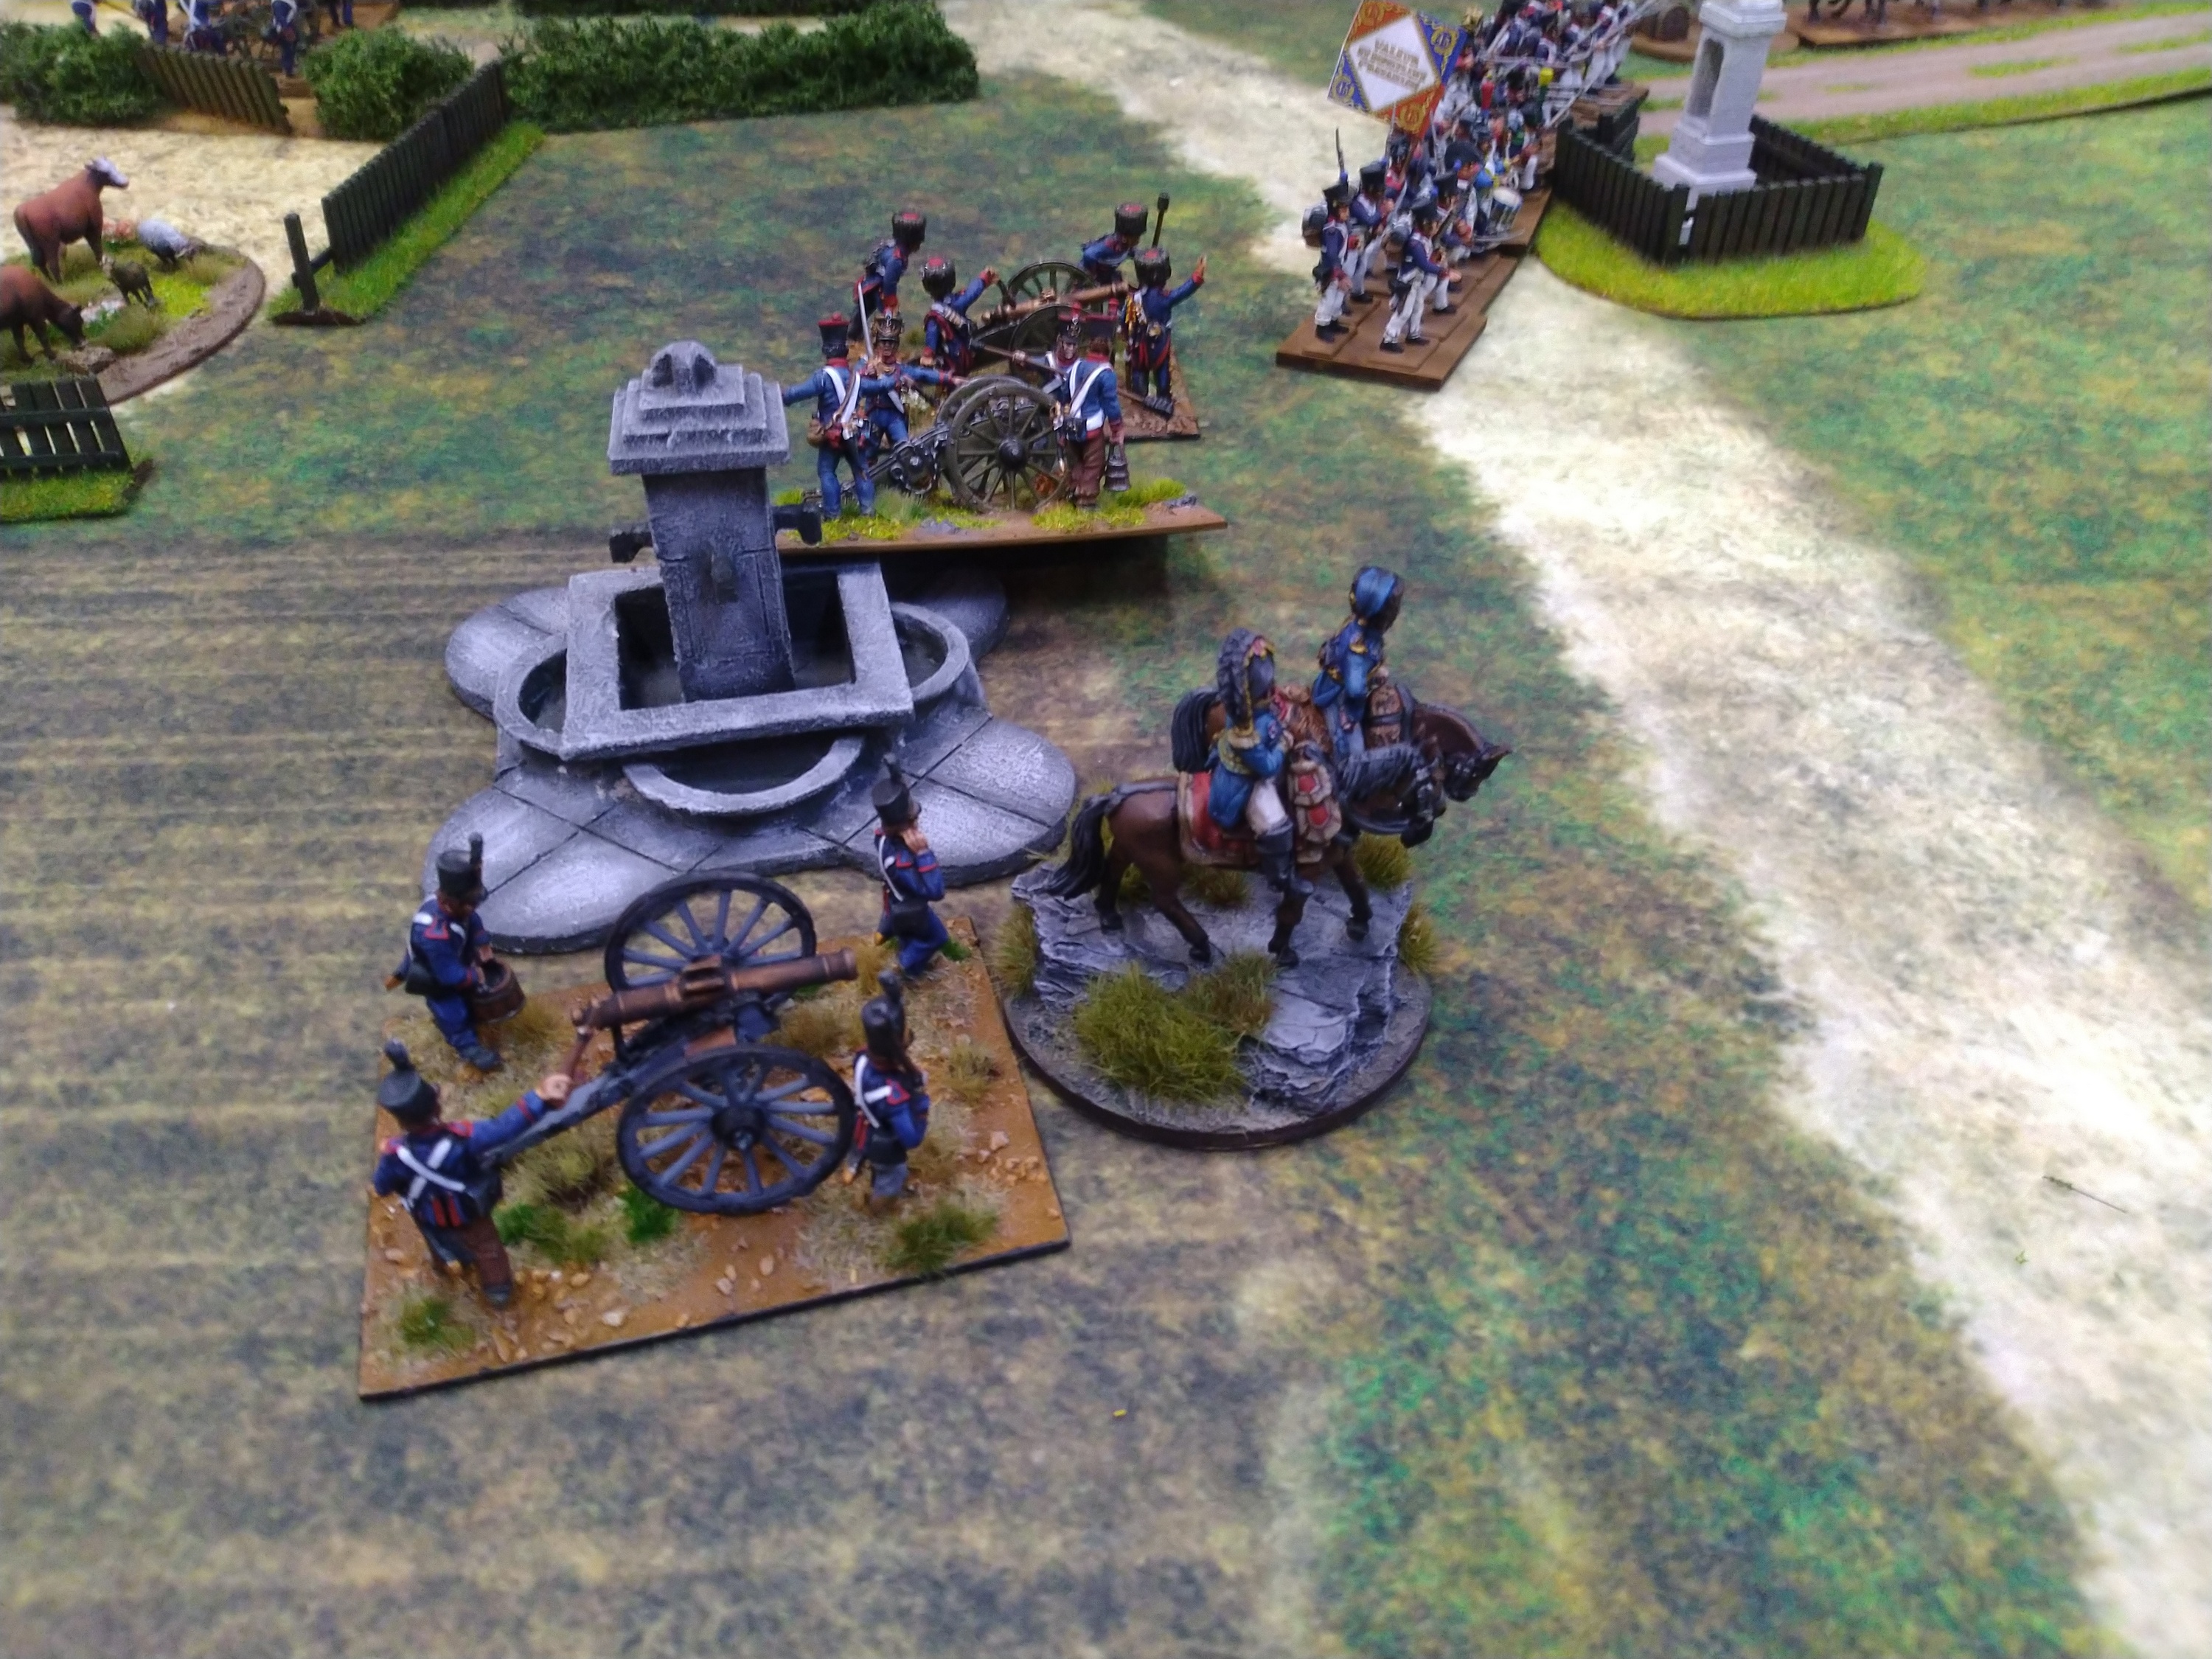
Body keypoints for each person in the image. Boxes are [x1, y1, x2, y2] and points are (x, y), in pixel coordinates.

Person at [369, 1041, 569, 1307]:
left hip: (428, 1215)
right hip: (467, 1213)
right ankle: (498, 1291)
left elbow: (381, 1187)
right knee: (487, 1247)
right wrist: (539, 1096)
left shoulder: (394, 1155)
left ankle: (445, 1265)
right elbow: (502, 1129)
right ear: (436, 1108)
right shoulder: (463, 1139)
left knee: (436, 1239)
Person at [1206, 629, 1312, 900]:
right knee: (1275, 824)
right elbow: (1267, 767)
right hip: (1246, 781)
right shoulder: (1246, 734)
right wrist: (1284, 744)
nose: (1271, 688)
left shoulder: (1257, 708)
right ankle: (1281, 878)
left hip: (1257, 760)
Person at [399, 837, 505, 1073]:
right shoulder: (434, 937)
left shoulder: (463, 911)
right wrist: (475, 976)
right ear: (448, 903)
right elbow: (449, 975)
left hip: (457, 958)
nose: (473, 908)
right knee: (452, 1011)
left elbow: (473, 920)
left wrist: (482, 944)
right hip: (437, 978)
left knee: (469, 1000)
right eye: (469, 903)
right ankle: (468, 1047)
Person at [781, 315, 892, 518]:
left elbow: (795, 394)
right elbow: (881, 386)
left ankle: (833, 514)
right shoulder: (857, 378)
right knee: (861, 471)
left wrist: (781, 396)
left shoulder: (822, 378)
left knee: (826, 472)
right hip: (854, 433)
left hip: (831, 435)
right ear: (845, 350)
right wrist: (888, 376)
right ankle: (868, 511)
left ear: (826, 350)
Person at [848, 973, 930, 1205]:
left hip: (864, 1123)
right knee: (892, 1176)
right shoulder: (893, 1095)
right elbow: (911, 1139)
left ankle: (864, 1167)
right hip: (884, 1144)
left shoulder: (862, 1058)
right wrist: (921, 1105)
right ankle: (881, 1206)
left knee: (880, 1168)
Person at [1312, 566, 1405, 751]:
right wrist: (1371, 678)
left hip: (1342, 682)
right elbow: (1355, 690)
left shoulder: (1359, 627)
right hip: (1338, 698)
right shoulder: (1358, 650)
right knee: (1354, 749)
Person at [872, 764, 948, 977]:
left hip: (894, 902)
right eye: (913, 819)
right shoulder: (903, 861)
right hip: (910, 907)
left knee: (908, 937)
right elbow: (935, 891)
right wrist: (923, 854)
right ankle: (905, 967)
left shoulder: (881, 837)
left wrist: (897, 776)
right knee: (936, 937)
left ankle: (911, 960)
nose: (917, 821)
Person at [860, 312, 955, 451]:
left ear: (896, 344)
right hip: (873, 415)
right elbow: (857, 383)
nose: (887, 346)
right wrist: (866, 373)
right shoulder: (867, 366)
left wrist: (949, 378)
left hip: (894, 416)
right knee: (866, 454)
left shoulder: (900, 369)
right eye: (884, 342)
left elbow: (922, 374)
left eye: (891, 342)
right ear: (877, 343)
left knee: (905, 449)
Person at [1057, 312, 1124, 509]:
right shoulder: (1106, 373)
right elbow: (1111, 405)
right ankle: (1086, 500)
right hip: (1091, 428)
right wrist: (1117, 428)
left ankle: (1074, 490)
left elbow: (1064, 396)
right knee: (1094, 464)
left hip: (1071, 426)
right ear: (1109, 347)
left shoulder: (1075, 367)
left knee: (1077, 463)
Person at [1122, 247, 1205, 403]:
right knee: (1162, 374)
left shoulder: (1133, 299)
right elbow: (1183, 291)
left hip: (1139, 347)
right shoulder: (1164, 298)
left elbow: (1124, 321)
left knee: (1139, 373)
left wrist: (1128, 339)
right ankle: (1164, 398)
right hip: (1160, 346)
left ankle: (1140, 397)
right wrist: (1196, 277)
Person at [1380, 198, 1446, 352]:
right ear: (1425, 223)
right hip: (1408, 282)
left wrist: (1435, 258)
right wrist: (1442, 271)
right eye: (1435, 223)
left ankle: (1414, 334)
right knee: (1403, 312)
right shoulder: (1415, 243)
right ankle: (1389, 339)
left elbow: (1427, 260)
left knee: (1417, 308)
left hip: (1416, 282)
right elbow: (1423, 264)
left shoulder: (1424, 239)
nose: (1437, 226)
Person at [917, 253, 995, 376]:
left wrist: (928, 355)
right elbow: (972, 293)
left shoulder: (934, 316)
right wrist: (983, 279)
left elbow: (931, 337)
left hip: (950, 359)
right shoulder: (958, 302)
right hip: (965, 352)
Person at [855, 209, 927, 333]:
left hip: (875, 285)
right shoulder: (896, 260)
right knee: (888, 318)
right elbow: (889, 282)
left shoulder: (892, 247)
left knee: (862, 315)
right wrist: (891, 301)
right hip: (877, 288)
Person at [1312, 183, 1355, 338]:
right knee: (1329, 300)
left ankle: (1333, 321)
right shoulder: (1332, 229)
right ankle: (1322, 326)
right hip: (1331, 271)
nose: (1347, 213)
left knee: (1338, 299)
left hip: (1339, 268)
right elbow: (1331, 254)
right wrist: (1339, 274)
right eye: (1343, 209)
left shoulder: (1341, 225)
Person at [1078, 201, 1148, 286]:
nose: (1138, 241)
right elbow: (1089, 255)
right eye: (1135, 238)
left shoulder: (1128, 247)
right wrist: (1092, 275)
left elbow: (1136, 253)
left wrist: (1148, 259)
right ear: (1125, 238)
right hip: (1089, 279)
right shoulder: (1109, 246)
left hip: (1108, 274)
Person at [265, 0, 300, 74]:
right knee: (287, 48)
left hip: (289, 25)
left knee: (292, 45)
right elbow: (280, 17)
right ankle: (288, 69)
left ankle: (290, 65)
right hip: (282, 29)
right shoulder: (279, 3)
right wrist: (287, 30)